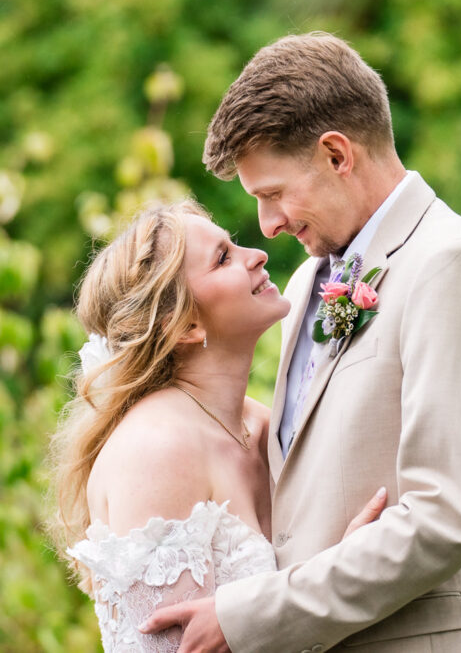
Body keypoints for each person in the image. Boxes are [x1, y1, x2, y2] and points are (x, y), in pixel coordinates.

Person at [140, 32, 461, 652]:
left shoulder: (452, 265)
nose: (268, 225)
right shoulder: (306, 282)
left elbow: (447, 517)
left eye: (272, 193)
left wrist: (253, 615)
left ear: (336, 154)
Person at [49, 200, 386, 653]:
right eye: (224, 258)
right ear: (184, 324)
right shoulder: (155, 450)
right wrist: (348, 576)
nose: (257, 254)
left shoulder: (263, 425)